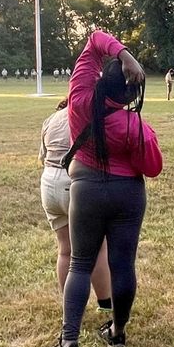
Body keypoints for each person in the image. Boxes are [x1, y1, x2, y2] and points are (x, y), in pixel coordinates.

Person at [44, 31, 163, 347]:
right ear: (129, 93)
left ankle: (69, 342)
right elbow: (152, 168)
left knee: (80, 263)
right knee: (123, 265)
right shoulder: (135, 126)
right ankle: (117, 332)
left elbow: (95, 38)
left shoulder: (79, 99)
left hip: (86, 190)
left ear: (100, 81)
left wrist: (123, 54)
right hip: (128, 195)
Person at [39, 98, 112, 310]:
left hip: (49, 183)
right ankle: (106, 303)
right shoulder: (88, 117)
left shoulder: (51, 119)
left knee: (65, 250)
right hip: (76, 180)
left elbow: (42, 157)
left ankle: (69, 305)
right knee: (97, 248)